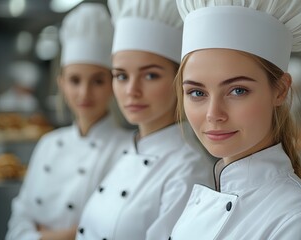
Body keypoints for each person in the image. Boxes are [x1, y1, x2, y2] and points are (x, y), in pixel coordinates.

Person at [169, 0, 301, 239]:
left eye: (237, 90)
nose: (213, 114)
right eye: (197, 93)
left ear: (280, 90)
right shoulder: (213, 193)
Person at [76, 0, 213, 239]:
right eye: (121, 76)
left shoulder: (188, 170)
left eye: (150, 75)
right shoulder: (128, 151)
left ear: (180, 79)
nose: (132, 90)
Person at [6, 3, 131, 240]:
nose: (84, 93)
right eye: (75, 80)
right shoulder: (48, 144)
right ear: (61, 82)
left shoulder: (127, 150)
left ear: (114, 84)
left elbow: (116, 232)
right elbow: (18, 223)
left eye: (97, 81)